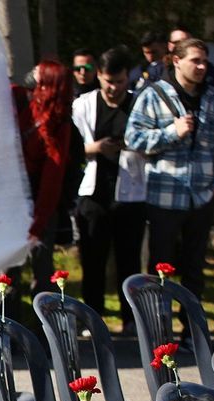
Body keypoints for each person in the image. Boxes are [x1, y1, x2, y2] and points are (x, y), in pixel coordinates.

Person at [125, 38, 214, 342]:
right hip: (165, 195)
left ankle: (192, 332)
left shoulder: (213, 98)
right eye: (195, 60)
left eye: (204, 61)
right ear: (176, 61)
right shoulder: (153, 95)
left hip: (202, 195)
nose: (201, 66)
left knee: (195, 267)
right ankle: (159, 331)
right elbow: (133, 139)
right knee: (161, 267)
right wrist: (172, 132)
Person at [71, 47, 146, 334]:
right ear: (99, 77)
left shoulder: (139, 105)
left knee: (129, 260)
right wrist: (96, 148)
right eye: (107, 81)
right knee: (93, 259)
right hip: (93, 193)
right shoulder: (84, 104)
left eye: (119, 82)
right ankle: (94, 317)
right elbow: (73, 147)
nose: (113, 88)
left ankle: (130, 319)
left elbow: (152, 143)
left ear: (128, 79)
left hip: (131, 193)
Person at [15, 60, 77, 296]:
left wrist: (38, 223)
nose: (32, 74)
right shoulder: (23, 103)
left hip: (38, 204)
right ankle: (6, 325)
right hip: (11, 200)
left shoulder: (59, 125)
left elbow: (52, 179)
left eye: (39, 72)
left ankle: (43, 328)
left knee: (42, 269)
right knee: (8, 272)